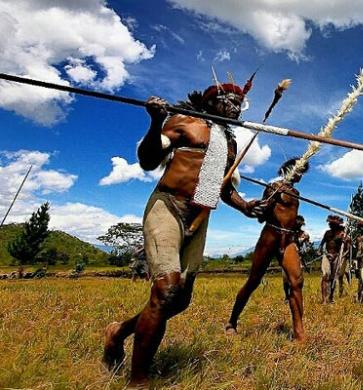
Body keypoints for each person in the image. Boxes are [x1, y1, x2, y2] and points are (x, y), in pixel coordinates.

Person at [103, 75, 262, 386]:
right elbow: (148, 159)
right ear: (211, 100)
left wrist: (246, 207)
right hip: (168, 207)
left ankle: (119, 332)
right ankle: (139, 381)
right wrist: (155, 121)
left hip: (199, 216)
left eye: (240, 105)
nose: (235, 108)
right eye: (229, 101)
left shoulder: (227, 144)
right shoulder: (184, 122)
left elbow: (223, 187)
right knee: (165, 291)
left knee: (178, 300)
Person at [225, 158, 309, 340]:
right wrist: (268, 201)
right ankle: (232, 322)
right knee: (253, 281)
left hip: (288, 240)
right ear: (288, 169)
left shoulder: (296, 193)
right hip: (270, 237)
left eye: (303, 172)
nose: (300, 175)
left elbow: (291, 219)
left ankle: (299, 333)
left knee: (296, 282)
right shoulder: (273, 187)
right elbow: (261, 217)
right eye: (299, 170)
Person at [319, 215, 349, 304]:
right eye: (330, 224)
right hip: (327, 255)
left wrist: (345, 242)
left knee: (333, 278)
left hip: (336, 256)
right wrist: (320, 250)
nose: (330, 225)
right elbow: (322, 243)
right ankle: (324, 299)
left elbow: (347, 248)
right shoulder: (327, 233)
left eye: (332, 224)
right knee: (325, 275)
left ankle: (331, 297)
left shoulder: (342, 234)